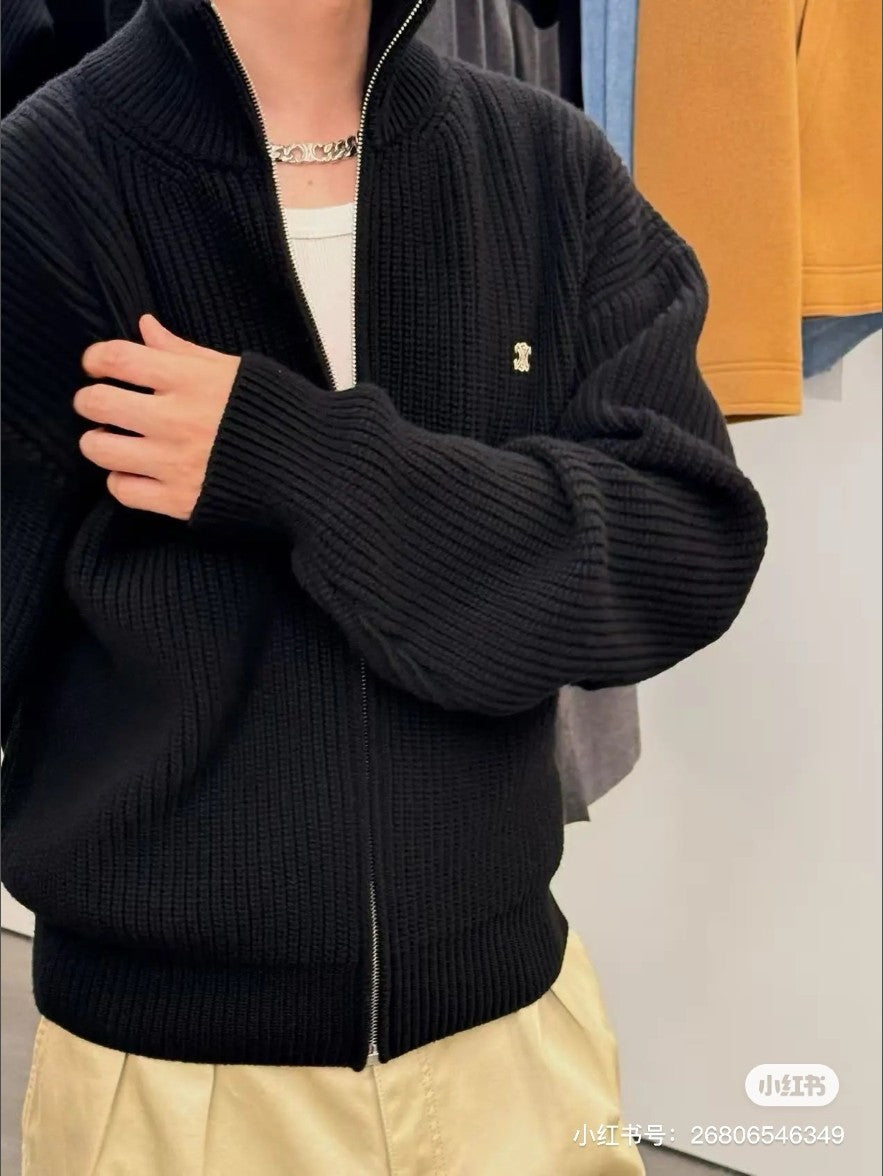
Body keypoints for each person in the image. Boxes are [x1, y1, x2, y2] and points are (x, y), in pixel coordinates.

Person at [1, 1, 768, 1172]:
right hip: (169, 1085)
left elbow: (687, 543)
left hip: (511, 1047)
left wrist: (303, 462)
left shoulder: (544, 164)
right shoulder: (45, 187)